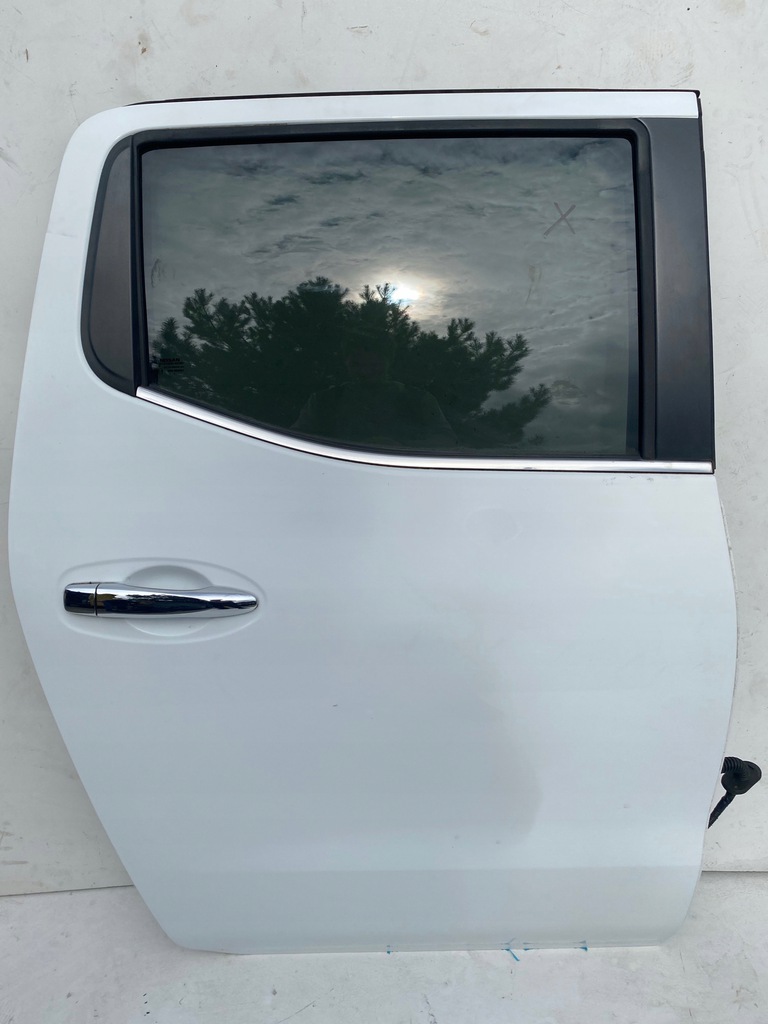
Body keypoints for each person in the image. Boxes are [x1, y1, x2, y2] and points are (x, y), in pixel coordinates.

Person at [294, 324, 456, 449]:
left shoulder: (418, 400)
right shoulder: (323, 402)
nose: (365, 371)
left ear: (389, 361)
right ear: (345, 362)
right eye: (357, 364)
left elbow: (446, 440)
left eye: (374, 364)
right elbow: (296, 443)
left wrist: (400, 447)